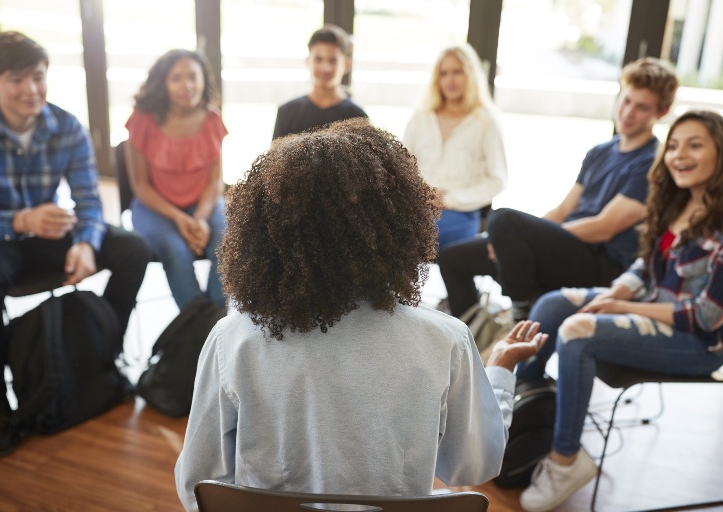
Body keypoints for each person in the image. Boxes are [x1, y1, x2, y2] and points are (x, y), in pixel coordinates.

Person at [174, 118, 546, 511]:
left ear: (265, 232)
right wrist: (501, 370)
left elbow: (197, 486)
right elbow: (474, 464)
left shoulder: (235, 339)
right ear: (399, 223)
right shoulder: (444, 340)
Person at [517, 110, 723, 512]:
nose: (679, 155)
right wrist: (614, 293)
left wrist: (620, 307)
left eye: (695, 145)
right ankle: (517, 414)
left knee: (578, 330)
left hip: (699, 343)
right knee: (554, 303)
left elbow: (705, 318)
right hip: (654, 307)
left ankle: (564, 461)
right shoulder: (682, 200)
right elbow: (645, 265)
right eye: (674, 145)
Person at [0, 31, 150, 456]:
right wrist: (22, 219)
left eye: (39, 77)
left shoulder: (65, 125)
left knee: (133, 248)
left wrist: (84, 242)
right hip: (3, 238)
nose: (31, 90)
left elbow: (87, 200)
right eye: (17, 80)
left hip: (53, 232)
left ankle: (99, 357)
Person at [438, 57, 678, 320]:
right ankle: (471, 335)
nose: (628, 112)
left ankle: (520, 315)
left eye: (642, 107)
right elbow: (564, 209)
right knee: (454, 258)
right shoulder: (601, 152)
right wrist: (509, 239)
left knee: (503, 219)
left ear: (661, 112)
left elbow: (604, 227)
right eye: (626, 100)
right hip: (568, 248)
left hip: (602, 264)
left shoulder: (653, 162)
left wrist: (528, 238)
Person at [125, 49, 227, 310]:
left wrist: (201, 218)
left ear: (204, 80)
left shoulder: (213, 118)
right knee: (174, 251)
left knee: (228, 241)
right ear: (163, 83)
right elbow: (141, 186)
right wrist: (181, 219)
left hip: (202, 204)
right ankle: (196, 325)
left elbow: (215, 182)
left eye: (193, 76)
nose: (187, 85)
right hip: (155, 207)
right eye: (177, 78)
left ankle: (215, 318)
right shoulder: (141, 120)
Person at [402, 43, 508, 250]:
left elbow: (498, 180)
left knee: (410, 237)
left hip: (460, 212)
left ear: (470, 75)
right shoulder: (421, 117)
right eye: (444, 73)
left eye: (457, 72)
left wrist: (449, 199)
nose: (450, 80)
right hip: (417, 206)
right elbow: (402, 165)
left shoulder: (486, 121)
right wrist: (422, 195)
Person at [272, 24, 367, 139]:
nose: (325, 68)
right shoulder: (287, 113)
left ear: (346, 65)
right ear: (308, 61)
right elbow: (275, 157)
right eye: (318, 59)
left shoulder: (357, 118)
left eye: (333, 60)